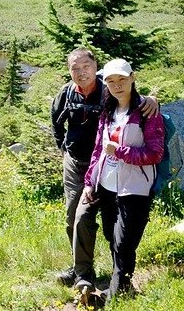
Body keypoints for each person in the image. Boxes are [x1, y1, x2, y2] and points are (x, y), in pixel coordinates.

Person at [51, 49, 157, 289]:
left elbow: (130, 98)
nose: (81, 73)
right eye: (75, 69)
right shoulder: (66, 93)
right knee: (74, 219)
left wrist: (151, 100)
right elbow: (56, 121)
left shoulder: (108, 90)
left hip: (106, 167)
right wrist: (63, 149)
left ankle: (119, 275)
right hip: (75, 165)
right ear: (69, 71)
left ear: (95, 66)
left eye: (85, 67)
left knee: (112, 223)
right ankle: (82, 273)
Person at [78, 58, 164, 301]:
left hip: (135, 189)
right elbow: (99, 149)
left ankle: (113, 298)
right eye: (111, 81)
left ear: (132, 78)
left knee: (124, 244)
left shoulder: (147, 112)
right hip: (106, 186)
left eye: (122, 80)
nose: (117, 85)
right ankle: (124, 287)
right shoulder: (108, 110)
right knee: (111, 237)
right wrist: (88, 181)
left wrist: (121, 152)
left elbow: (155, 154)